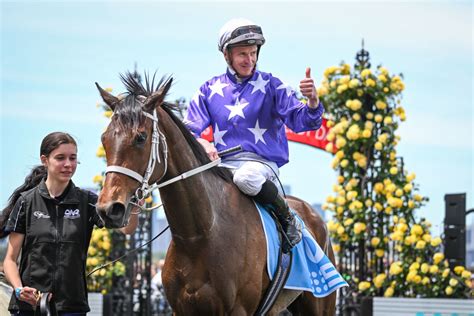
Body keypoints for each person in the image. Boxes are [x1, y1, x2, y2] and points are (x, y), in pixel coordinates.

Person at [185, 18, 324, 253]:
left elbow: (302, 122)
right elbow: (190, 129)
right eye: (242, 54)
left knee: (245, 178)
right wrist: (202, 142)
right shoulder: (208, 90)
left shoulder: (272, 85)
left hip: (260, 167)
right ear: (226, 55)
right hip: (223, 166)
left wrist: (312, 101)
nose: (249, 60)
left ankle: (287, 217)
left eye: (253, 53)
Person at [0, 132, 139, 316]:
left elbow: (127, 228)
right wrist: (19, 290)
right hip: (29, 307)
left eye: (73, 158)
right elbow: (9, 260)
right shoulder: (26, 202)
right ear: (45, 160)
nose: (68, 164)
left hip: (72, 307)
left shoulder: (87, 201)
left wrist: (136, 205)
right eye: (60, 158)